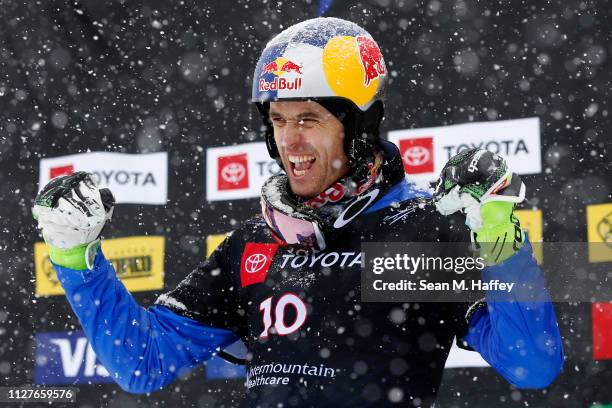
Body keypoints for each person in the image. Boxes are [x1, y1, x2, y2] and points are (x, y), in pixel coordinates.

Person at [32, 17, 563, 407]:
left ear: (359, 126)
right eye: (278, 119)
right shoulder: (253, 243)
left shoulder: (421, 230)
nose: (289, 140)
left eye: (308, 118)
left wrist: (499, 238)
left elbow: (532, 365)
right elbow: (141, 363)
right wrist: (76, 258)